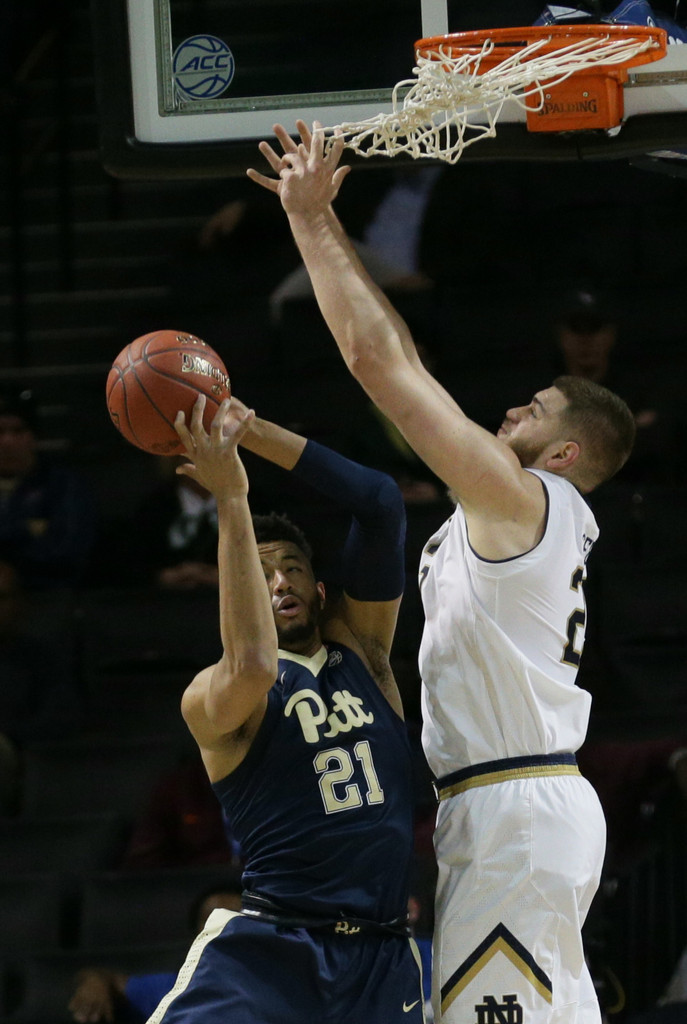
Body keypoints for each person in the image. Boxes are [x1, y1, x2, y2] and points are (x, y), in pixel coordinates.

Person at [247, 121, 638, 1024]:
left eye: (535, 407)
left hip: (514, 805)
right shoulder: (504, 520)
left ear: (567, 450)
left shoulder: (522, 502)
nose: (512, 406)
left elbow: (382, 364)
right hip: (509, 804)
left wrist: (311, 220)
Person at [144, 394, 425, 1023]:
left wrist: (253, 431)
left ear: (320, 590)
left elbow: (380, 502)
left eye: (293, 568)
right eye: (262, 573)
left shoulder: (365, 652)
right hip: (273, 951)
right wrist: (230, 497)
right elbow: (252, 661)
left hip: (381, 957)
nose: (279, 583)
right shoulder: (215, 697)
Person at [68, 879, 243, 1024]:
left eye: (234, 924)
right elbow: (106, 978)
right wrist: (96, 981)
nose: (223, 935)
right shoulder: (171, 988)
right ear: (194, 940)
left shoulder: (267, 991)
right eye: (213, 926)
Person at [0, 388, 97, 590]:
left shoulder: (63, 486)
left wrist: (13, 565)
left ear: (33, 436)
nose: (7, 441)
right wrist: (24, 534)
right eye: (0, 431)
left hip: (45, 602)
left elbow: (68, 553)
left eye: (18, 430)